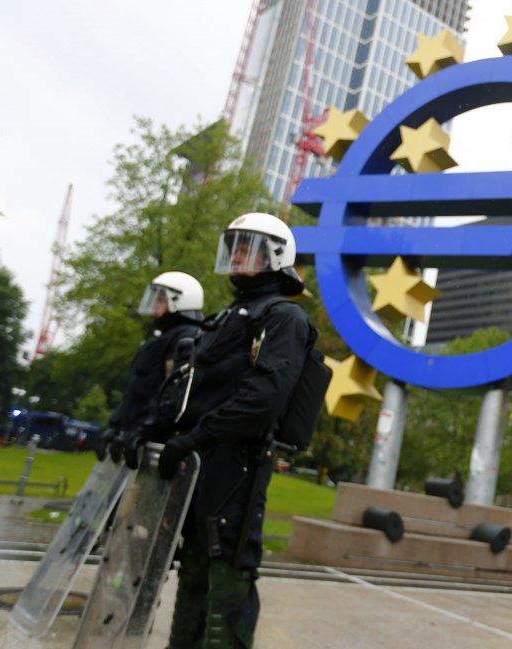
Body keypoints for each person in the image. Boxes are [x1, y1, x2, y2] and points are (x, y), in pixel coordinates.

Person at [158, 212, 317, 648]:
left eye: (248, 247)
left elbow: (260, 400)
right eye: (235, 246)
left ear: (276, 256)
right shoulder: (227, 315)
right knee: (192, 572)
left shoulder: (284, 318)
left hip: (235, 470)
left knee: (227, 576)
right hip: (199, 465)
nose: (237, 255)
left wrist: (195, 438)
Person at [94, 271, 203, 468]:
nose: (154, 305)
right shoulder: (157, 339)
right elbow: (135, 392)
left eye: (161, 299)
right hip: (134, 434)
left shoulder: (187, 337)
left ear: (180, 302)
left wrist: (146, 429)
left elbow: (172, 391)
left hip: (154, 438)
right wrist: (115, 425)